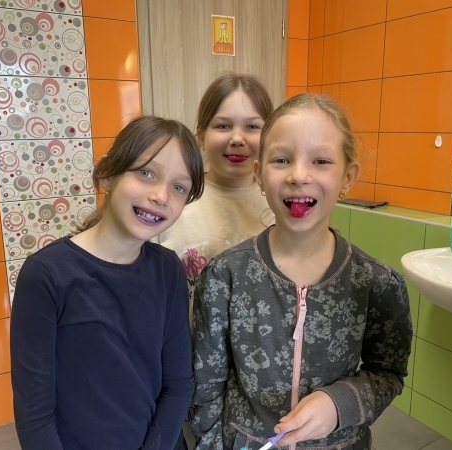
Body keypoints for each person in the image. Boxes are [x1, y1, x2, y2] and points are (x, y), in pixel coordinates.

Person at [191, 93, 413, 450]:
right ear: (259, 174)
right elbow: (207, 384)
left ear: (347, 177)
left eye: (321, 161)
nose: (298, 175)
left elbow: (389, 372)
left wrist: (340, 404)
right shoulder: (224, 277)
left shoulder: (378, 284)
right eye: (281, 160)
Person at [10, 115, 205, 450]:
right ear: (107, 175)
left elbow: (178, 384)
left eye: (178, 187)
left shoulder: (168, 269)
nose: (161, 195)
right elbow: (34, 415)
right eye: (146, 173)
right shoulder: (46, 275)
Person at [157, 73, 274, 450]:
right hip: (191, 375)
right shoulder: (176, 202)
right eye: (223, 125)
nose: (237, 138)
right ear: (201, 135)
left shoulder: (281, 204)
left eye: (252, 126)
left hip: (264, 377)